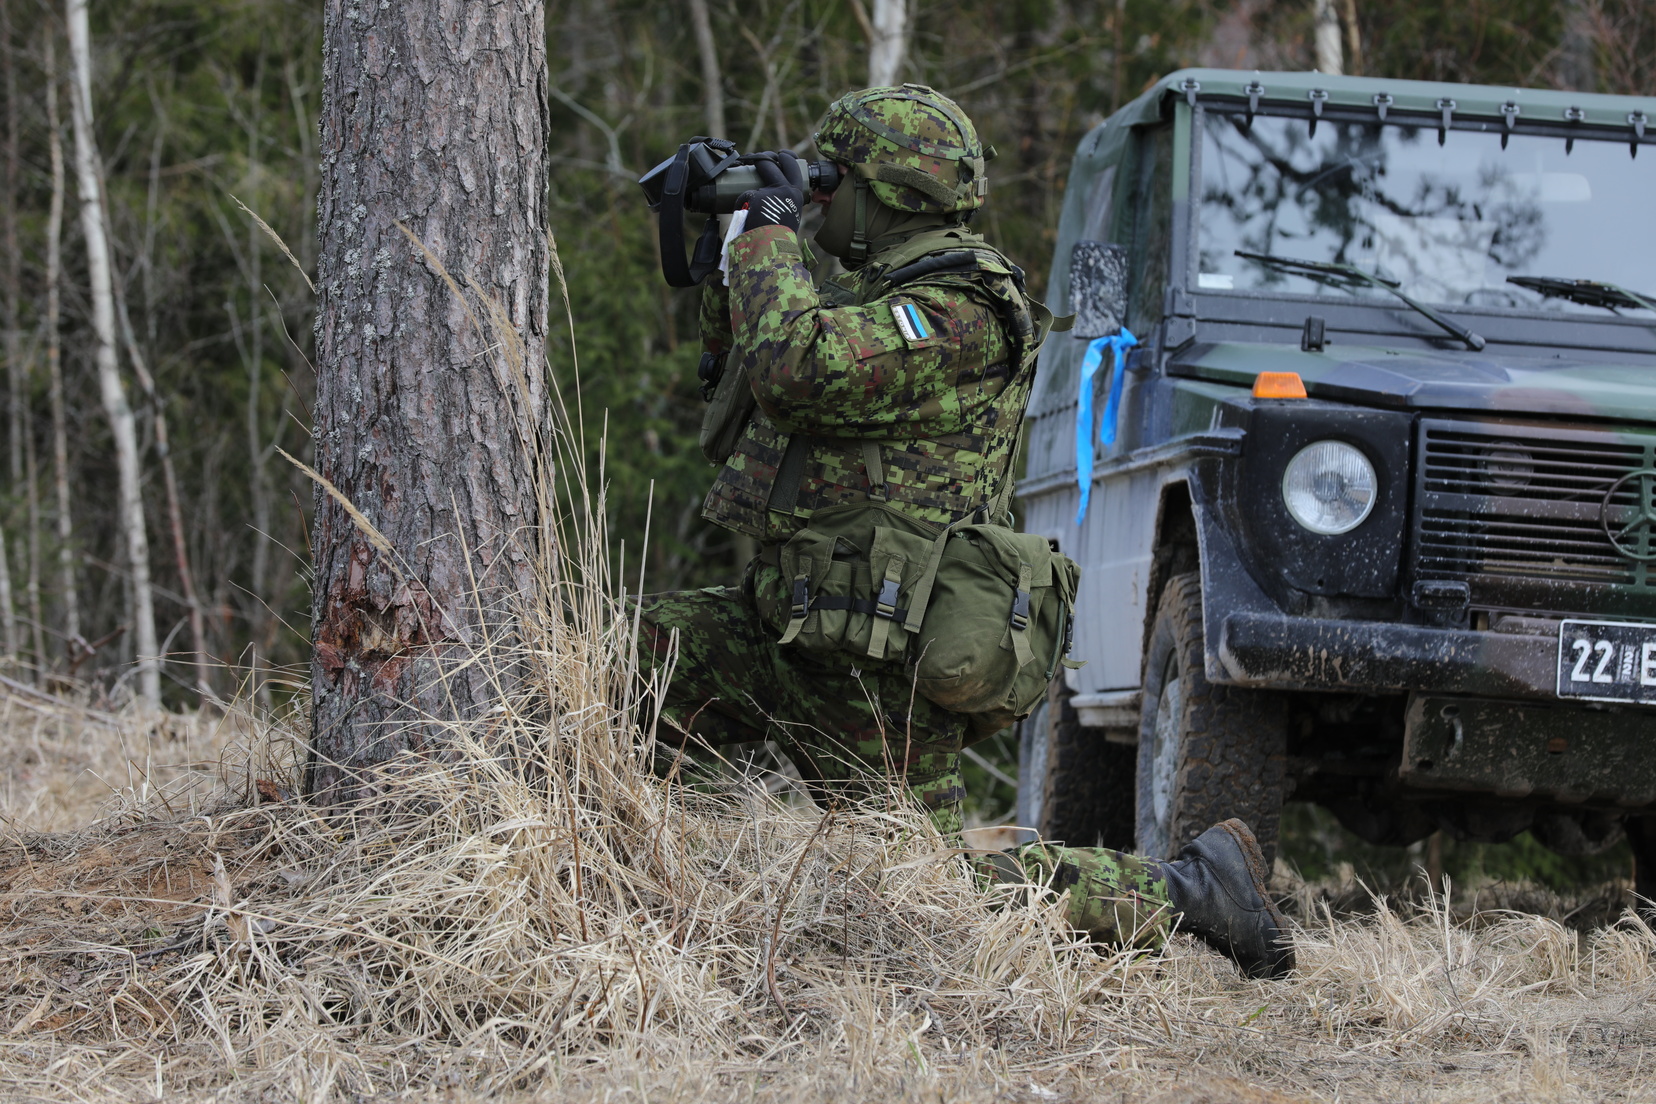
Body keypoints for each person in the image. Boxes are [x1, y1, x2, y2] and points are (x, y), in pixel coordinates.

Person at [636, 85, 1293, 980]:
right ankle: (691, 898)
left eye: (832, 183)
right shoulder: (873, 294)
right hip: (791, 625)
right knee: (633, 665)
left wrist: (769, 229)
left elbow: (799, 369)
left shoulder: (963, 313)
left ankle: (1194, 891)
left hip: (877, 661)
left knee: (928, 885)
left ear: (885, 194)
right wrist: (734, 246)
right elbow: (747, 383)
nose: (819, 202)